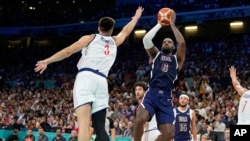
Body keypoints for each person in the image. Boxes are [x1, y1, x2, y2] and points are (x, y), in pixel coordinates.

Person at [34, 7, 144, 141]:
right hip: (102, 82)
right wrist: (136, 18)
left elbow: (69, 51)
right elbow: (126, 31)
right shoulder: (115, 41)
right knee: (100, 127)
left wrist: (47, 61)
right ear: (111, 30)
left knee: (84, 125)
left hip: (86, 78)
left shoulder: (90, 38)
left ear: (99, 28)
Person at [133, 8, 186, 141]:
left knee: (169, 134)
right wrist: (159, 24)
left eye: (169, 42)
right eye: (164, 42)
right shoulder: (155, 55)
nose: (166, 42)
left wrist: (172, 24)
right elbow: (146, 39)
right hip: (152, 93)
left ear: (173, 47)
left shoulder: (177, 59)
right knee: (140, 119)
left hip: (167, 97)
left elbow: (182, 43)